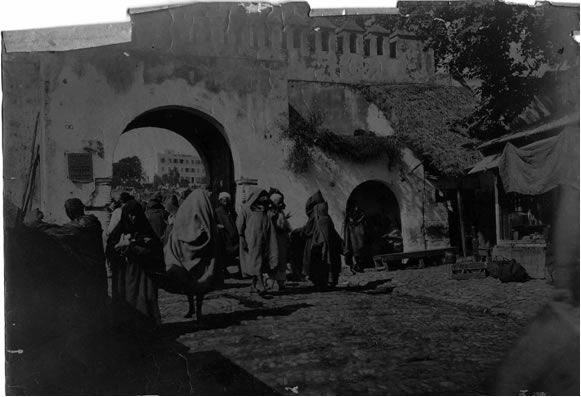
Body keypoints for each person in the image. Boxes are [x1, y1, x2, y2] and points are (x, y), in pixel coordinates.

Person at [26, 199, 109, 324]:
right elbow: (62, 229)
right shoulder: (91, 222)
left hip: (89, 271)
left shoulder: (81, 226)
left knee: (90, 307)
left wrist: (37, 224)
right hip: (96, 269)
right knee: (97, 303)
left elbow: (59, 231)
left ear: (68, 212)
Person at [106, 200, 164, 334]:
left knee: (142, 301)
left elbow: (156, 250)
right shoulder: (118, 231)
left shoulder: (146, 229)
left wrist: (136, 248)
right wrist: (120, 250)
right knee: (126, 301)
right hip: (124, 274)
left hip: (142, 274)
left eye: (135, 214)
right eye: (130, 215)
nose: (133, 218)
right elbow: (110, 250)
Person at [164, 189, 223, 320]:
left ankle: (196, 310)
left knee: (195, 284)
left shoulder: (186, 211)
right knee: (195, 284)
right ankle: (195, 310)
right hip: (195, 255)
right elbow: (206, 232)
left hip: (190, 256)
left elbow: (179, 232)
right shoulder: (198, 211)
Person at [237, 187, 278, 296]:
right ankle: (262, 286)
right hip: (252, 241)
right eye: (262, 196)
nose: (264, 198)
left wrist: (270, 202)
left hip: (264, 241)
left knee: (259, 263)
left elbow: (275, 213)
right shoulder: (246, 209)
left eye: (265, 196)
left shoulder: (265, 210)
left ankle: (253, 286)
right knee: (256, 262)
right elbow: (239, 226)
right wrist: (243, 239)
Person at [301, 190, 342, 290]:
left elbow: (307, 231)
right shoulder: (327, 218)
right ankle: (329, 281)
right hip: (327, 246)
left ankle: (320, 282)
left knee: (318, 262)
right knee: (329, 261)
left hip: (317, 246)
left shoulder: (316, 218)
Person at [266, 191, 291, 290]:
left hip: (281, 240)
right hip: (273, 240)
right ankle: (270, 281)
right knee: (273, 259)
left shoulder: (281, 212)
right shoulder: (269, 213)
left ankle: (281, 282)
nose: (280, 204)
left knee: (282, 260)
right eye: (278, 201)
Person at [214, 192, 239, 278]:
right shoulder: (217, 211)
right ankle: (223, 271)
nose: (226, 202)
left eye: (227, 200)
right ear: (220, 200)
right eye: (224, 200)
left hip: (232, 236)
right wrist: (217, 226)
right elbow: (213, 222)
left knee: (233, 254)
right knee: (223, 254)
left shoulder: (231, 211)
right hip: (223, 236)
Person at [343, 204, 369, 273]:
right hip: (353, 236)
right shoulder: (350, 219)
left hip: (359, 235)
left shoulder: (361, 216)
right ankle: (356, 266)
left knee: (361, 249)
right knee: (355, 251)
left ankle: (359, 266)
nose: (356, 209)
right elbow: (351, 221)